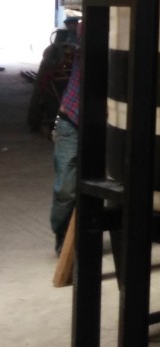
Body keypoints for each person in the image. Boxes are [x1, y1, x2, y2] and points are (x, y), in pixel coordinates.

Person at [50, 19, 81, 255]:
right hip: (71, 122)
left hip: (106, 125)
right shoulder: (86, 33)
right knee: (66, 189)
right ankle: (62, 236)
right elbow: (73, 36)